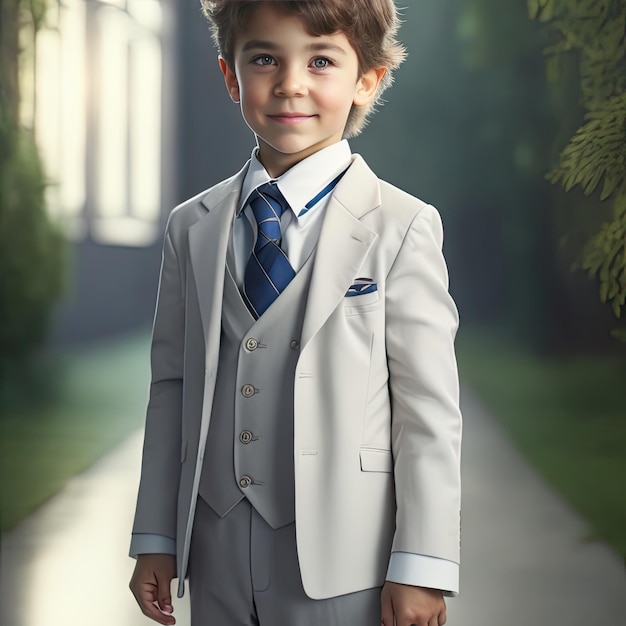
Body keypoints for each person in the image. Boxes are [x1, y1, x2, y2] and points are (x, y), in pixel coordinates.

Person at [129, 1, 462, 625]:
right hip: (215, 545)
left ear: (368, 79)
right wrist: (156, 537)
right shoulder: (191, 227)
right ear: (231, 76)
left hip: (346, 558)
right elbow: (171, 389)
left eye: (321, 60)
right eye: (264, 59)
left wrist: (422, 563)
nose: (290, 83)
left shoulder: (402, 225)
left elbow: (428, 409)